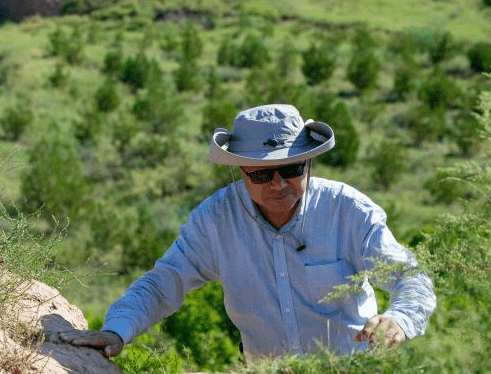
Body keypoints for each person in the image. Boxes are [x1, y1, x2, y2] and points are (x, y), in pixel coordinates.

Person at [58, 103, 436, 360]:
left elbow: (410, 276)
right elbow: (164, 283)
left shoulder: (347, 211)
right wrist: (117, 330)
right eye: (261, 173)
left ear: (308, 163)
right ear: (239, 171)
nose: (279, 184)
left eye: (292, 169)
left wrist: (399, 318)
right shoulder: (215, 221)